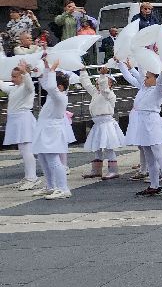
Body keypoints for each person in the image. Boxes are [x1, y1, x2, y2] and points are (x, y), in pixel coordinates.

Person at [119, 60, 162, 199]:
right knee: (148, 155)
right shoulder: (144, 88)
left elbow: (161, 82)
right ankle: (154, 185)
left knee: (158, 153)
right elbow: (134, 77)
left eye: (148, 77)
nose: (145, 79)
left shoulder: (157, 91)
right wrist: (126, 66)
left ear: (155, 79)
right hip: (142, 123)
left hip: (152, 122)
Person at [32, 63, 74, 200]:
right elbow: (46, 84)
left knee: (53, 160)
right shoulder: (53, 95)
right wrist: (43, 68)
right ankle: (50, 186)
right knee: (43, 158)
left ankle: (63, 188)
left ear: (60, 87)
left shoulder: (60, 97)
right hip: (45, 129)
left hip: (52, 131)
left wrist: (52, 70)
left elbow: (49, 86)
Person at [77, 67, 123, 180]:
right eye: (97, 83)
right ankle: (96, 170)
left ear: (110, 84)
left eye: (101, 82)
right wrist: (83, 71)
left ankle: (113, 170)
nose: (98, 84)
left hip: (106, 124)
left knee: (108, 148)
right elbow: (87, 84)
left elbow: (104, 88)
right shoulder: (95, 93)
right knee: (97, 147)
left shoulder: (109, 94)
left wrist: (103, 76)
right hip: (98, 124)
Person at [2, 63, 41, 190]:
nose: (12, 79)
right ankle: (28, 176)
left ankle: (32, 178)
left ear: (22, 77)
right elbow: (3, 86)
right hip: (16, 120)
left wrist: (26, 73)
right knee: (23, 150)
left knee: (26, 150)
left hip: (23, 120)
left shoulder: (26, 87)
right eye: (12, 76)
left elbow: (30, 86)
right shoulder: (15, 88)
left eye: (15, 76)